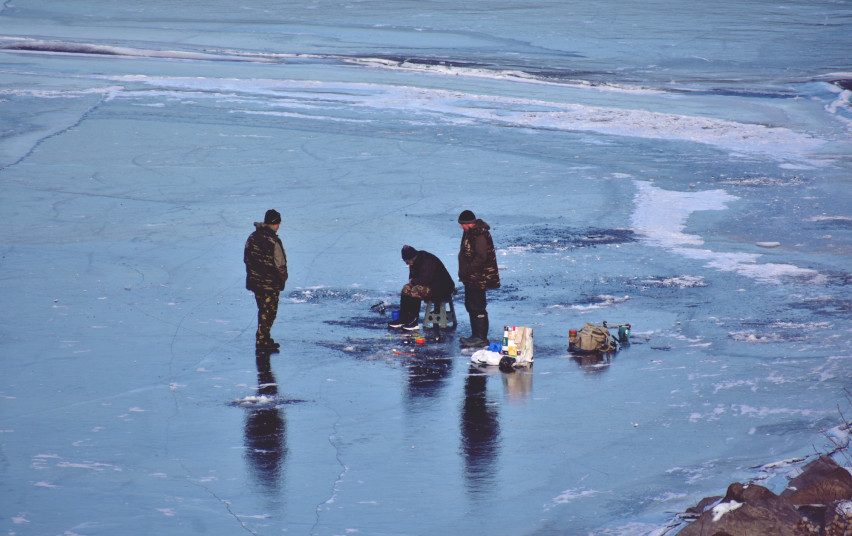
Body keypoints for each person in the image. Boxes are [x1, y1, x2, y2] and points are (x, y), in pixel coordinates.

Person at [244, 209, 288, 351]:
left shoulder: (252, 237)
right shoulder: (273, 241)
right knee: (269, 312)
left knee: (263, 310)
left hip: (255, 282)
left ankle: (265, 338)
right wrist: (282, 279)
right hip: (270, 284)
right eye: (278, 223)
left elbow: (246, 258)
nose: (279, 226)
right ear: (274, 223)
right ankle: (262, 341)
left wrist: (253, 275)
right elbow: (280, 263)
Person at [457, 210, 500, 347]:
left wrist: (469, 270)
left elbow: (481, 257)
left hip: (478, 277)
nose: (461, 227)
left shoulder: (479, 235)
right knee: (471, 305)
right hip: (471, 277)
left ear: (468, 223)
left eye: (462, 224)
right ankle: (475, 335)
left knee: (478, 306)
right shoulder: (469, 233)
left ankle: (481, 337)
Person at [388, 245, 455, 331]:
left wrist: (413, 283)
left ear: (412, 257)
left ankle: (413, 321)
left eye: (407, 262)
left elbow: (425, 279)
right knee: (406, 289)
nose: (407, 264)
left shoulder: (427, 260)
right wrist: (411, 284)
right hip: (430, 285)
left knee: (416, 290)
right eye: (406, 262)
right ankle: (403, 318)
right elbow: (413, 278)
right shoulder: (413, 262)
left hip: (442, 287)